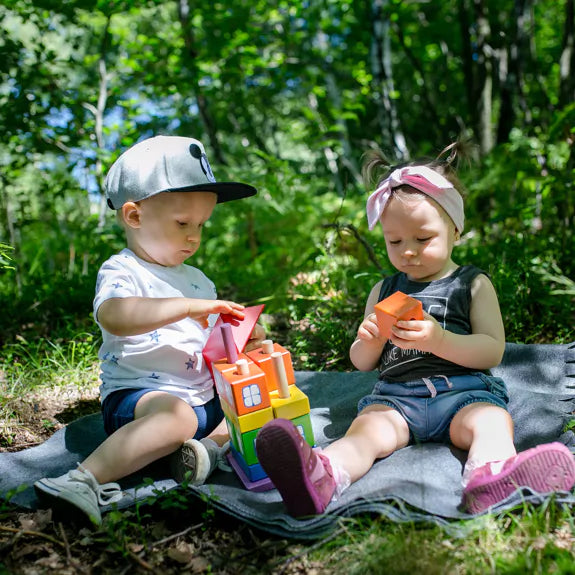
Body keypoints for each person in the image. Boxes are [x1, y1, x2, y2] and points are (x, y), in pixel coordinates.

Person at [256, 143, 575, 517]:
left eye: (423, 239)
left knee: (491, 422)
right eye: (395, 241)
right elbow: (361, 362)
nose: (408, 251)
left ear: (454, 230)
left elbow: (492, 350)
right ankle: (322, 475)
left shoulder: (471, 284)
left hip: (464, 394)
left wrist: (438, 339)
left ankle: (490, 478)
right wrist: (369, 339)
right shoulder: (384, 290)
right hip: (395, 399)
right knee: (366, 432)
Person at [35, 135, 264, 525]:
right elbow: (115, 316)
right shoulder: (123, 270)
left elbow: (208, 343)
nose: (194, 236)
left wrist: (241, 340)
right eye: (182, 223)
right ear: (134, 216)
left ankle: (206, 450)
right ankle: (83, 480)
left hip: (202, 397)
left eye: (201, 225)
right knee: (177, 417)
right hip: (143, 398)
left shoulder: (197, 279)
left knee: (259, 392)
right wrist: (189, 308)